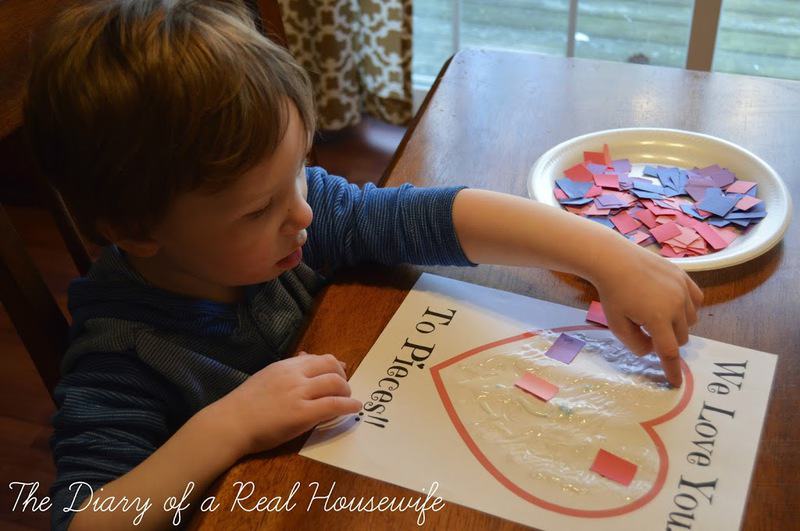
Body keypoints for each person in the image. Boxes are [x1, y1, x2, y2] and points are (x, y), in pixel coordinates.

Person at [22, 1, 703, 529]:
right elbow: (84, 518)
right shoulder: (123, 353)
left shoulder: (299, 218)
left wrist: (606, 254)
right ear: (137, 232)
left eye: (300, 170)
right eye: (259, 208)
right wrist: (227, 424)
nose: (305, 212)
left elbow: (431, 216)